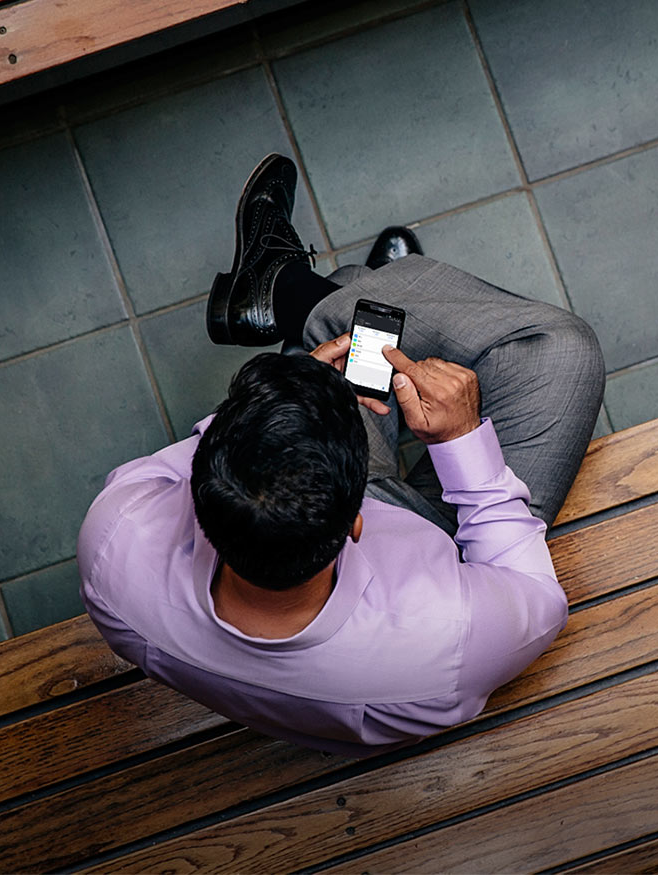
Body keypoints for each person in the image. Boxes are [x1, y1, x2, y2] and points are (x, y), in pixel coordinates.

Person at [77, 154, 605, 756]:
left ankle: (318, 295)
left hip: (334, 565)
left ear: (201, 497)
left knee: (347, 330)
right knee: (559, 350)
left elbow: (201, 450)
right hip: (453, 576)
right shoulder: (448, 640)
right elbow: (534, 597)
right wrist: (462, 444)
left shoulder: (114, 544)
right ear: (359, 518)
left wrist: (290, 385)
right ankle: (298, 292)